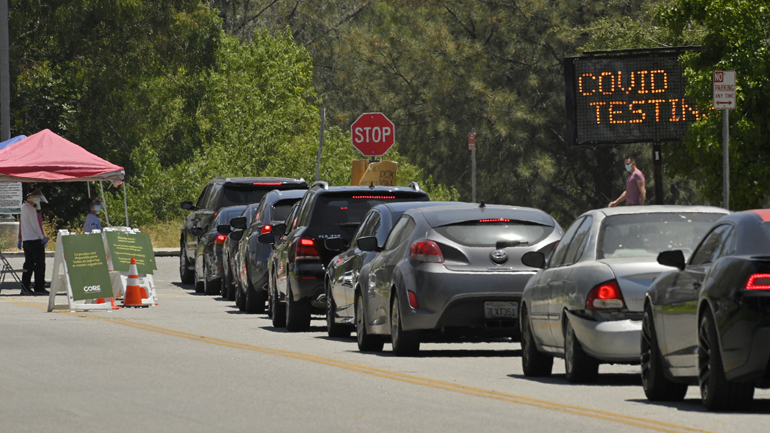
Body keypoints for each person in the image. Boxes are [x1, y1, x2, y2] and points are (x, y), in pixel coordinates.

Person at [20, 189, 49, 295]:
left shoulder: (23, 208)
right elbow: (35, 226)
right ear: (30, 198)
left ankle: (25, 286)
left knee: (29, 264)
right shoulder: (31, 209)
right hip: (34, 240)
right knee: (40, 264)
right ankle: (39, 287)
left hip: (26, 240)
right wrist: (42, 237)